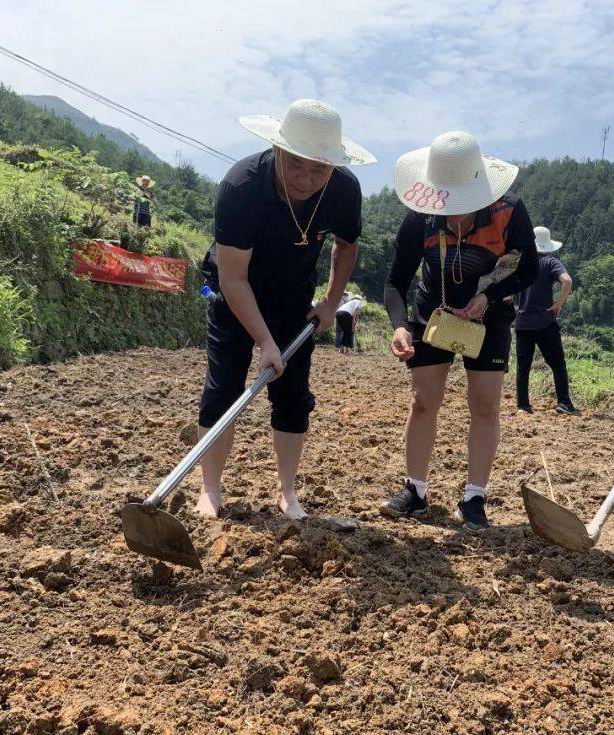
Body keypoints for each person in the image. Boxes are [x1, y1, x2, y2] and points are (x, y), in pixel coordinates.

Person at [195, 99, 376, 520]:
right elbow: (233, 277)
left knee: (293, 397)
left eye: (319, 169)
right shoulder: (242, 186)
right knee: (223, 391)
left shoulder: (344, 190)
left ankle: (287, 492)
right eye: (296, 164)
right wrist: (264, 341)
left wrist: (331, 302)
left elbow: (346, 247)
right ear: (278, 149)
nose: (306, 179)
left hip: (295, 302)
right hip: (236, 297)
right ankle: (210, 489)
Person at [381, 131, 537, 530]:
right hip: (432, 314)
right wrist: (399, 327)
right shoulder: (421, 215)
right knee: (422, 401)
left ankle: (474, 498)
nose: (457, 212)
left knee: (484, 404)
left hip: (490, 316)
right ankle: (415, 490)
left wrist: (490, 295)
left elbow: (529, 269)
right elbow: (395, 282)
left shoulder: (509, 211)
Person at [514, 226, 578, 415]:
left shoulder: (521, 263)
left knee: (523, 366)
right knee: (557, 364)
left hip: (522, 322)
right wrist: (558, 304)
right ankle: (564, 402)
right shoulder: (550, 262)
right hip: (544, 321)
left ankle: (523, 405)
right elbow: (567, 281)